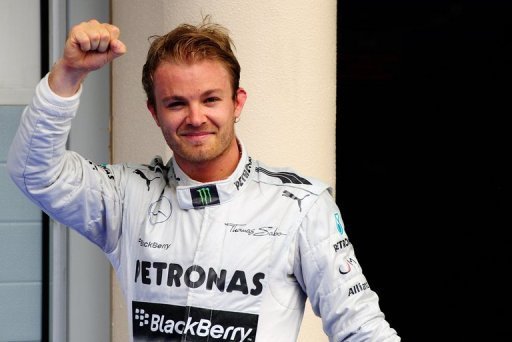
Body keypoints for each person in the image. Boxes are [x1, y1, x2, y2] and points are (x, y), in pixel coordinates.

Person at [7, 18, 400, 342]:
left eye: (210, 99)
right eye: (176, 103)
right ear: (154, 112)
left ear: (237, 103)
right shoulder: (129, 195)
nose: (195, 118)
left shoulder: (300, 205)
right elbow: (34, 172)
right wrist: (69, 73)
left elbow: (362, 330)